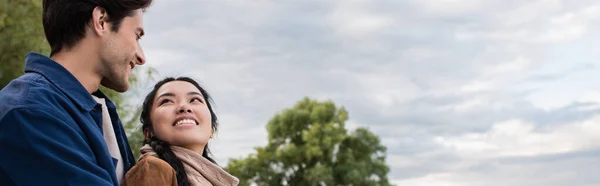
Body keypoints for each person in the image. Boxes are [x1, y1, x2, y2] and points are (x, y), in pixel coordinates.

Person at [0, 0, 153, 185]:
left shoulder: (96, 111)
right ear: (101, 21)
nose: (141, 57)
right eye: (137, 36)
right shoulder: (31, 111)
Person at [122, 77, 239, 186]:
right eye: (167, 101)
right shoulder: (153, 169)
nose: (184, 107)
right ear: (148, 132)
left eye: (194, 99)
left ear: (212, 130)